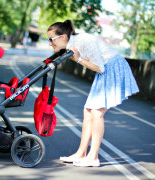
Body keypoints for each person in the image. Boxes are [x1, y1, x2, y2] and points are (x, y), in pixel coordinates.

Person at [47, 20, 139, 167]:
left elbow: (100, 67)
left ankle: (93, 157)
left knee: (97, 112)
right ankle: (81, 153)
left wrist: (78, 59)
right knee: (88, 111)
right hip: (105, 71)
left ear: (63, 36)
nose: (50, 43)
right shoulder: (72, 44)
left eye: (51, 39)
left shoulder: (83, 41)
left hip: (112, 68)